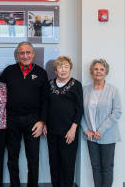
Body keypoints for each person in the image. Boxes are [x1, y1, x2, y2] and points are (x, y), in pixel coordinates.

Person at [0, 41, 49, 187]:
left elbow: (46, 100)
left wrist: (42, 121)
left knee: (33, 158)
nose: (25, 55)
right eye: (22, 53)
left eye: (28, 52)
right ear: (18, 55)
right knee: (12, 157)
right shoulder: (9, 71)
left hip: (34, 121)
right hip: (12, 119)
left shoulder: (41, 72)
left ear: (33, 54)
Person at [81, 59, 122, 187]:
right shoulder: (84, 90)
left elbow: (117, 112)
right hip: (90, 136)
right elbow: (79, 111)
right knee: (95, 167)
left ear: (106, 73)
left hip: (107, 135)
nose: (98, 71)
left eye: (102, 69)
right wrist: (85, 129)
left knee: (107, 167)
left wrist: (101, 130)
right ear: (91, 72)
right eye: (96, 69)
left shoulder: (113, 90)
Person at [45, 56, 83, 187]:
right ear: (55, 70)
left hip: (69, 131)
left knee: (67, 163)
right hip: (52, 131)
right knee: (54, 163)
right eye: (60, 67)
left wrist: (73, 129)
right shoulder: (49, 84)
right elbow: (45, 105)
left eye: (66, 66)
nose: (63, 69)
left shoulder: (76, 85)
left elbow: (79, 109)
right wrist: (44, 123)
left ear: (70, 69)